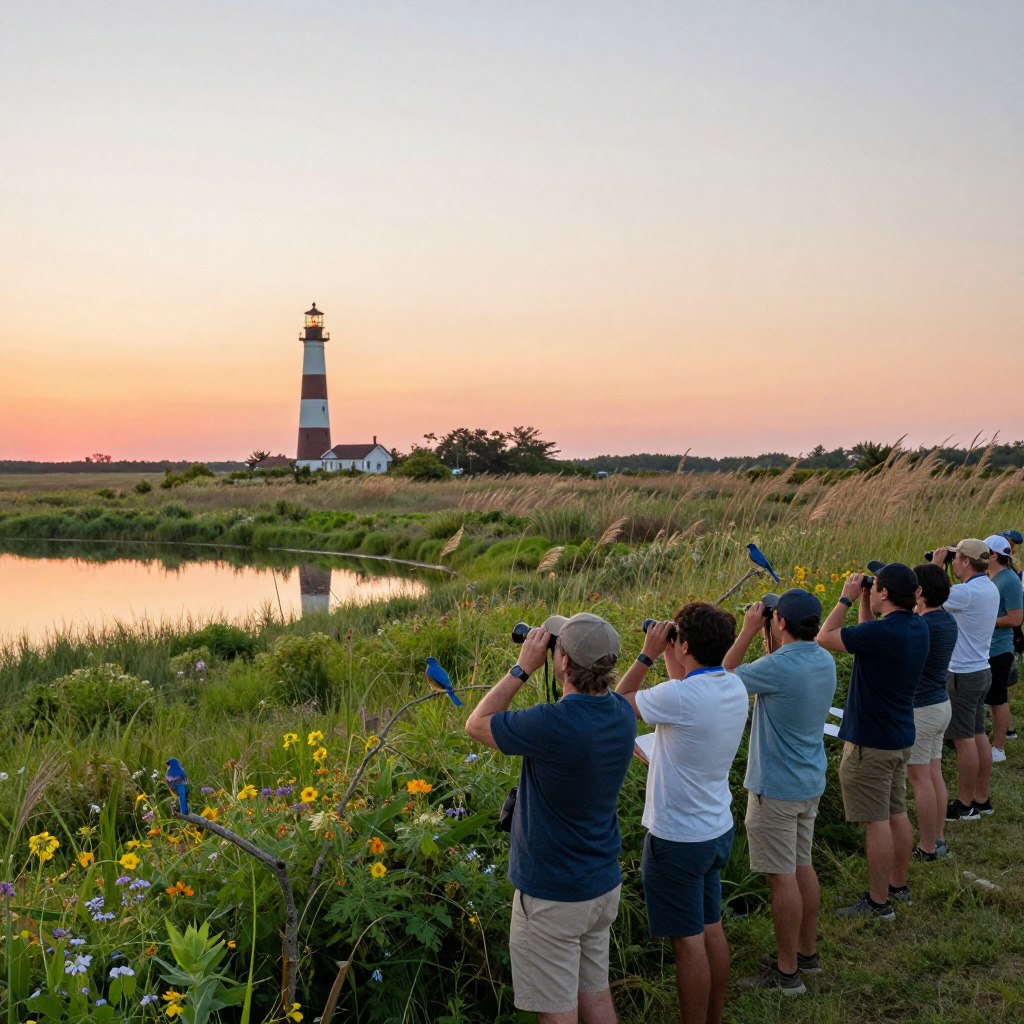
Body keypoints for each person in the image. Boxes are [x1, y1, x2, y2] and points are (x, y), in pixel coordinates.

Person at [465, 613, 636, 1024]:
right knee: (594, 994)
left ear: (561, 663)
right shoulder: (622, 714)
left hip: (553, 896)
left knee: (557, 1011)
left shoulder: (552, 724)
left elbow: (476, 724)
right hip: (599, 886)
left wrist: (522, 666)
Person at [615, 603, 748, 1024]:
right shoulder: (732, 685)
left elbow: (617, 705)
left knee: (687, 942)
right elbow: (686, 687)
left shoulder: (680, 697)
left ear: (684, 644)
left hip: (677, 839)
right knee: (710, 926)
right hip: (715, 829)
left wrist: (648, 654)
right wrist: (676, 653)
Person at [720, 590, 836, 995]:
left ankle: (787, 974)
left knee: (781, 878)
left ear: (779, 623)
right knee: (802, 866)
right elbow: (778, 665)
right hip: (808, 783)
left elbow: (720, 676)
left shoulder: (777, 667)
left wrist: (750, 630)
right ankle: (807, 953)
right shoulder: (823, 657)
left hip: (776, 790)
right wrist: (771, 636)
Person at [817, 563, 929, 918]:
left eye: (875, 585)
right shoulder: (916, 627)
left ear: (885, 593)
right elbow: (867, 637)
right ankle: (898, 886)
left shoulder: (884, 635)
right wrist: (867, 600)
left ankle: (878, 903)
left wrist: (847, 598)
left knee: (876, 822)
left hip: (871, 743)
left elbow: (825, 637)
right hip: (899, 737)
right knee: (896, 813)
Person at [928, 539, 1000, 820]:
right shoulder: (989, 587)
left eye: (957, 559)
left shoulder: (966, 593)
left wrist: (935, 565)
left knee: (963, 739)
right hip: (982, 670)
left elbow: (931, 595)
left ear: (967, 562)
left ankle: (965, 804)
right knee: (979, 733)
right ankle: (981, 798)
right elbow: (948, 594)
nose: (954, 563)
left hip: (963, 674)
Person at [909, 563, 957, 860]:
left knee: (919, 778)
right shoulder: (946, 619)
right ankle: (938, 838)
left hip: (921, 710)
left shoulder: (921, 625)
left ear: (920, 591)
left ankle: (927, 847)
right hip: (940, 703)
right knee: (933, 772)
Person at [983, 535, 1023, 764]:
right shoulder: (992, 576)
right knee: (990, 696)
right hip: (987, 647)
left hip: (999, 648)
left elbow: (1016, 618)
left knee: (998, 698)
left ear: (994, 555)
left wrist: (986, 620)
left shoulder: (1009, 580)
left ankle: (999, 747)